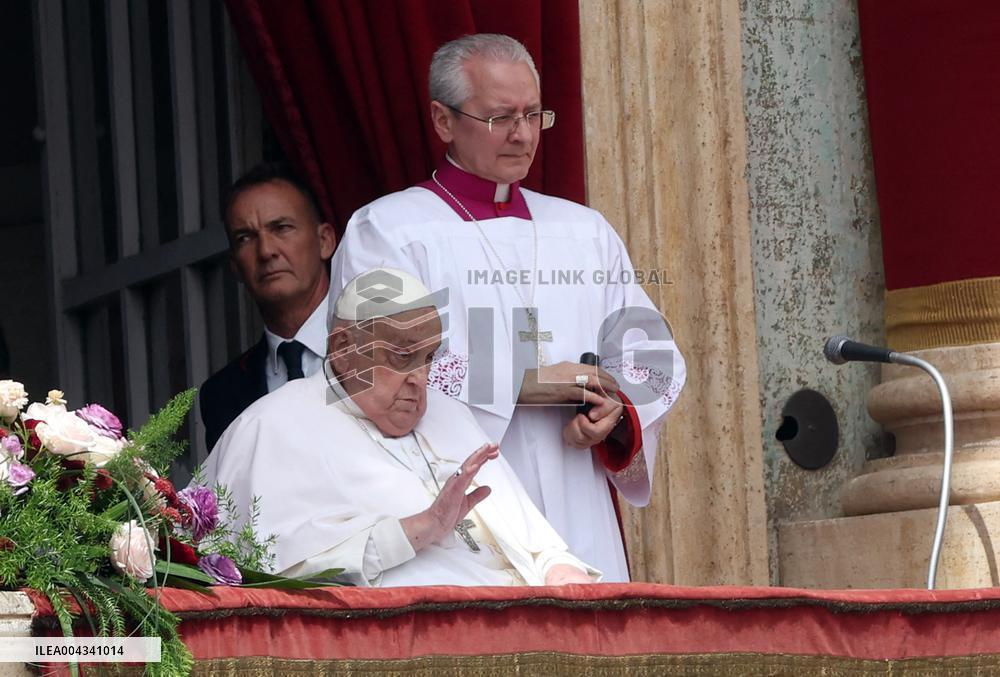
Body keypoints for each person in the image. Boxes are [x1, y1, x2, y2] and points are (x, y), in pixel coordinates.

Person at [329, 34, 686, 582]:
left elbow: (650, 356)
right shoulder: (391, 230)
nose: (522, 135)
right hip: (462, 506)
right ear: (443, 120)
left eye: (534, 115)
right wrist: (525, 383)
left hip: (577, 503)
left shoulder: (584, 232)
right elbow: (371, 369)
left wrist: (611, 411)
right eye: (500, 118)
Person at [200, 268, 599, 587]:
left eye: (428, 358)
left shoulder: (450, 414)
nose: (421, 378)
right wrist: (419, 530)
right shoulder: (270, 426)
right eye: (403, 356)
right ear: (342, 348)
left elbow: (533, 542)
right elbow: (276, 572)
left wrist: (557, 567)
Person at [199, 163, 336, 451]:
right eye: (245, 238)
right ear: (234, 266)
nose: (266, 251)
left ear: (324, 241)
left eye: (281, 228)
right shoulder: (221, 394)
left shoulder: (380, 349)